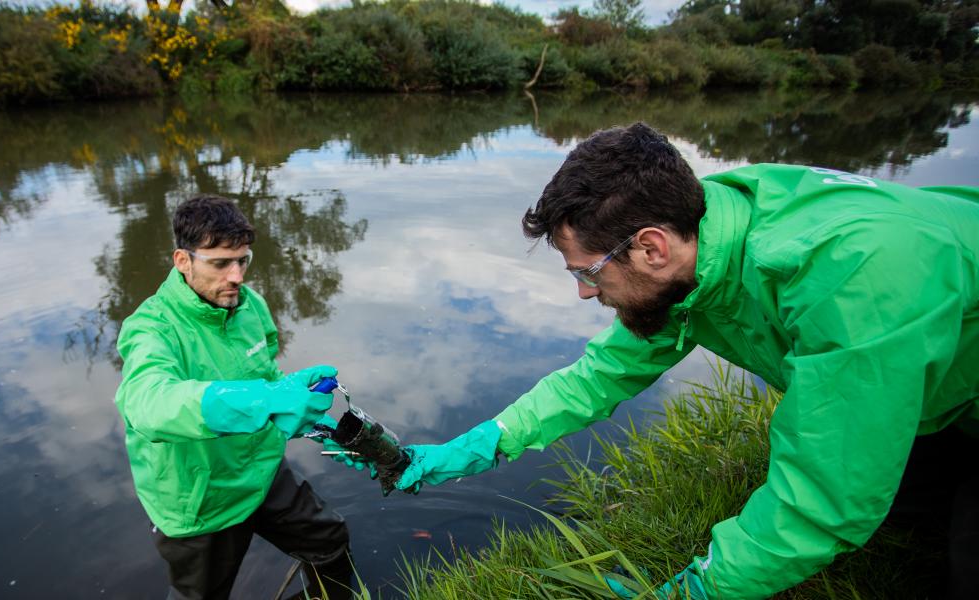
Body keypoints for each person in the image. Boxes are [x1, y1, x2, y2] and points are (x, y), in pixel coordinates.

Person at [393, 123, 979, 599]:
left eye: (586, 273)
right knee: (902, 520)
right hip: (926, 370)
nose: (583, 293)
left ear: (650, 247)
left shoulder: (850, 279)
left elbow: (821, 503)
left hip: (938, 349)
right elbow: (599, 376)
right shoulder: (698, 233)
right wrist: (482, 443)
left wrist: (693, 592)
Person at [113, 194, 356, 600]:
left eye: (243, 260)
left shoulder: (249, 305)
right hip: (201, 500)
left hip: (260, 473)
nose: (237, 276)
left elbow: (266, 376)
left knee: (330, 541)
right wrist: (268, 401)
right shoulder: (151, 328)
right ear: (183, 261)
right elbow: (148, 404)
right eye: (221, 263)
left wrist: (311, 415)